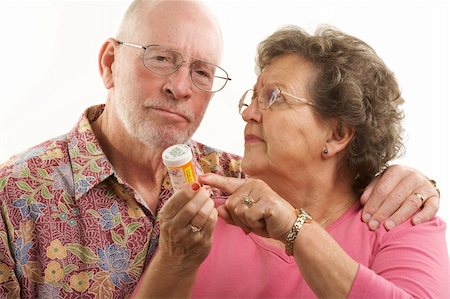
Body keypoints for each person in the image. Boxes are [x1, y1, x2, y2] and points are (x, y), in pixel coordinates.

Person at [0, 1, 441, 298]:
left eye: (202, 72)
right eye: (160, 58)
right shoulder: (15, 196)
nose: (179, 87)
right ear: (110, 63)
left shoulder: (234, 185)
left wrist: (417, 182)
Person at [133, 25, 448, 298]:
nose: (248, 113)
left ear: (337, 134)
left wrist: (295, 228)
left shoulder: (400, 221)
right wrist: (175, 260)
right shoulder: (204, 223)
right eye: (252, 99)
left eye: (274, 98)